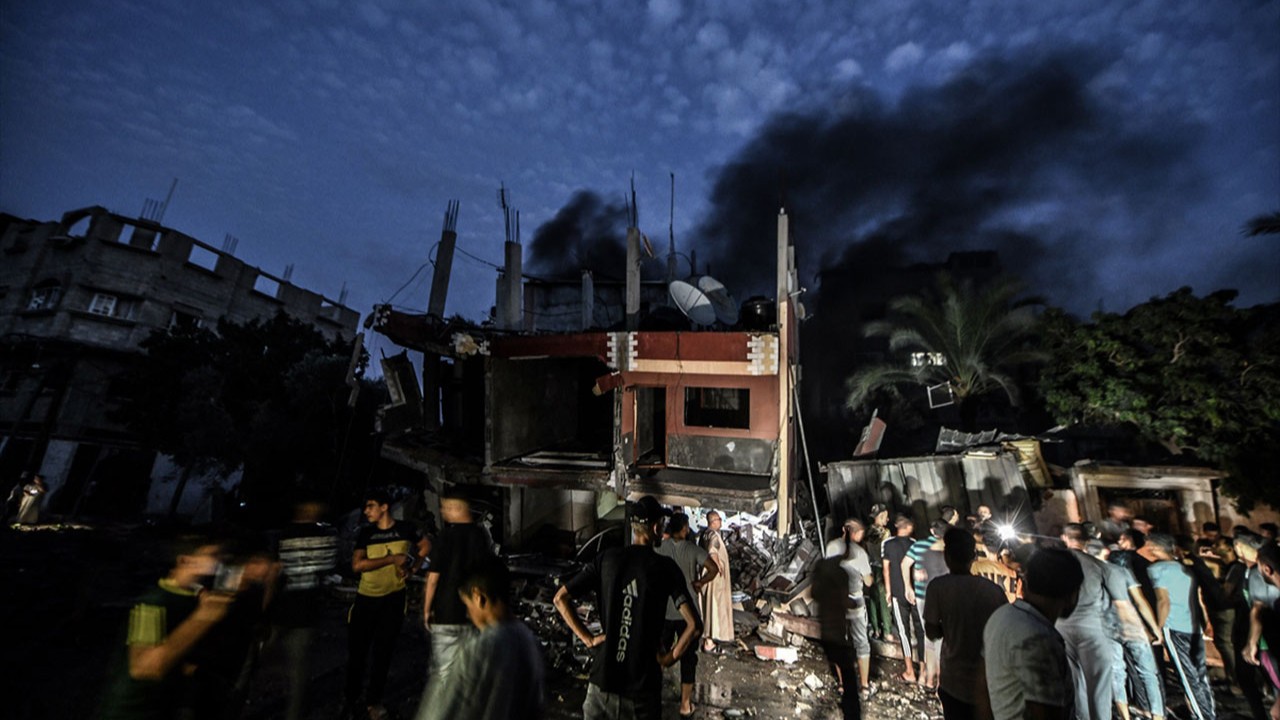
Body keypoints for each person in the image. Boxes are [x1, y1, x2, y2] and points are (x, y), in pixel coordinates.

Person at [553, 496, 699, 719]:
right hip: (642, 691)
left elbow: (560, 599)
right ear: (656, 528)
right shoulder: (665, 568)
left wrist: (588, 639)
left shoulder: (606, 559)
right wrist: (669, 658)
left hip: (601, 687)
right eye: (662, 524)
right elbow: (693, 625)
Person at [98, 536, 233, 720]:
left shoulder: (193, 597)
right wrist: (204, 617)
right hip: (131, 710)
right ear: (185, 560)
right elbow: (143, 668)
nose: (218, 562)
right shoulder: (153, 603)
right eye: (212, 555)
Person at [416, 557, 545, 720]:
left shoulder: (480, 648)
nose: (468, 614)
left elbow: (441, 712)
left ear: (479, 597)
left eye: (467, 605)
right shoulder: (528, 640)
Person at [345, 488, 423, 720]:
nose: (366, 511)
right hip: (366, 599)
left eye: (370, 506)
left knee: (383, 653)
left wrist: (414, 568)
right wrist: (391, 559)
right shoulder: (367, 533)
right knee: (358, 654)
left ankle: (373, 702)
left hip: (394, 599)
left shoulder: (406, 529)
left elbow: (425, 546)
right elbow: (357, 565)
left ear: (384, 507)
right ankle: (351, 701)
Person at [984, 547, 1084, 720]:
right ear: (1072, 595)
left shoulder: (1001, 615)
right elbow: (1045, 712)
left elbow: (981, 685)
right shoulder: (1041, 639)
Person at [924, 528, 1008, 720]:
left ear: (947, 556)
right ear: (973, 556)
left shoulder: (938, 587)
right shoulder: (993, 591)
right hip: (988, 681)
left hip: (953, 681)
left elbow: (931, 631)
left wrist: (950, 628)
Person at [272, 497, 340, 720]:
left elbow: (275, 571)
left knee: (285, 665)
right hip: (303, 611)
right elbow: (328, 569)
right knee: (298, 669)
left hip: (284, 609)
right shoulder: (327, 536)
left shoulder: (283, 535)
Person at [1086, 540, 1164, 720]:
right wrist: (1155, 628)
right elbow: (1140, 601)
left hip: (1106, 626)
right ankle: (1158, 715)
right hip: (1130, 624)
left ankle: (1125, 715)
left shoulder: (1089, 574)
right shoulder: (1122, 571)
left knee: (1116, 672)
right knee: (1148, 673)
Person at [423, 490, 493, 681]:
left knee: (445, 670)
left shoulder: (445, 536)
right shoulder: (480, 535)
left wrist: (427, 609)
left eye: (446, 507)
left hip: (447, 613)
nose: (443, 511)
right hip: (474, 613)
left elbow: (433, 578)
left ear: (458, 508)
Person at [1056, 523, 1122, 720]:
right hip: (1093, 628)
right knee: (1099, 685)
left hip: (1062, 626)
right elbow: (1119, 601)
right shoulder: (1098, 565)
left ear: (1064, 538)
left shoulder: (1054, 562)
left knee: (1076, 683)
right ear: (1086, 541)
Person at [1147, 533, 1216, 720]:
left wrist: (1158, 628)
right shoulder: (1187, 568)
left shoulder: (1157, 569)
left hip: (1174, 627)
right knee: (1200, 674)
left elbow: (1163, 601)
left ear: (1155, 548)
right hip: (1193, 626)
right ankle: (1208, 712)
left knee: (1187, 677)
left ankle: (1202, 716)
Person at [655, 512, 718, 718]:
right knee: (689, 658)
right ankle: (685, 704)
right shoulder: (692, 549)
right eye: (686, 526)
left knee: (659, 654)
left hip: (665, 611)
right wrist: (700, 582)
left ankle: (653, 697)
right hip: (688, 613)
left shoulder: (660, 548)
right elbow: (713, 568)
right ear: (683, 528)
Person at [825, 518, 874, 699]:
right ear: (856, 533)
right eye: (861, 533)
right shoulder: (860, 552)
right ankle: (864, 686)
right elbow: (868, 581)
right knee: (861, 643)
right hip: (855, 601)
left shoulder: (831, 547)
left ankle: (842, 685)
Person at [812, 556, 864, 719]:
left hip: (826, 629)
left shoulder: (821, 572)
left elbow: (814, 594)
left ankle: (845, 695)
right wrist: (856, 603)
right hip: (837, 627)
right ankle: (851, 708)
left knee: (839, 660)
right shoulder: (840, 574)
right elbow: (845, 600)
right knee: (847, 666)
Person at [902, 519, 949, 689]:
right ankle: (939, 682)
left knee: (929, 639)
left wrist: (908, 587)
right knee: (941, 641)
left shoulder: (919, 546)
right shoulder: (948, 549)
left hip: (923, 597)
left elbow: (904, 564)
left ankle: (928, 679)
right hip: (944, 599)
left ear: (932, 531)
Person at [1229, 533, 1272, 719]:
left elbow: (1257, 608)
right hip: (1250, 632)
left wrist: (1251, 642)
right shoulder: (1245, 570)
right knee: (1247, 677)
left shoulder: (1258, 572)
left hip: (1261, 635)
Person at [882, 514, 924, 682]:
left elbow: (886, 569)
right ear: (908, 527)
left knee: (903, 632)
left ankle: (909, 671)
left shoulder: (888, 544)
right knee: (920, 631)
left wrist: (888, 591)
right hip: (915, 592)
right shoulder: (915, 544)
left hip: (898, 593)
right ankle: (923, 671)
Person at [697, 509, 734, 652]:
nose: (720, 522)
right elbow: (713, 551)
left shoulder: (704, 534)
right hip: (713, 576)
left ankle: (709, 637)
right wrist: (719, 567)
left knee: (708, 606)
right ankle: (710, 640)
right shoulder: (713, 535)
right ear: (713, 521)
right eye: (719, 519)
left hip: (705, 574)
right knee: (714, 606)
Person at [864, 504, 893, 641]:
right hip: (882, 568)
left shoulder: (867, 532)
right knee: (884, 599)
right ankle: (887, 631)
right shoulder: (886, 533)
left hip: (870, 568)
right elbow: (887, 552)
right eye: (886, 516)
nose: (887, 519)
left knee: (873, 600)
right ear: (881, 516)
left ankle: (876, 629)